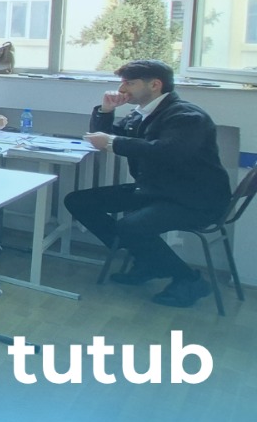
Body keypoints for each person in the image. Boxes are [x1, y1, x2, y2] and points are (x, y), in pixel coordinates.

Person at [69, 60, 232, 308]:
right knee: (78, 201)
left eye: (130, 83)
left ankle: (189, 280)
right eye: (122, 83)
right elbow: (104, 137)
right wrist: (106, 110)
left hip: (195, 199)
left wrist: (113, 142)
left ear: (155, 85)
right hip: (158, 190)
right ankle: (147, 260)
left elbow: (167, 152)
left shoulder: (187, 117)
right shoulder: (143, 112)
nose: (122, 89)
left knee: (131, 226)